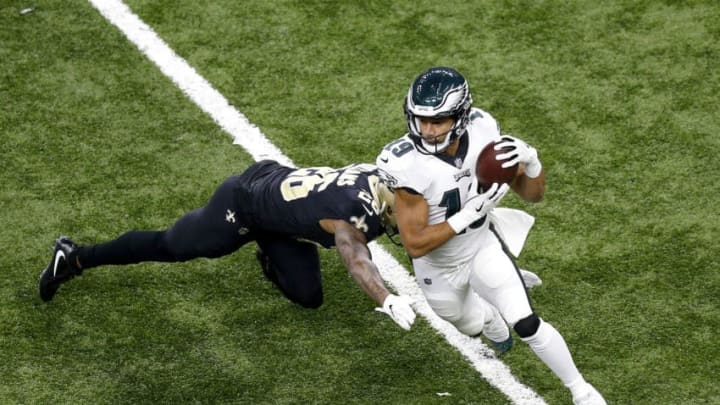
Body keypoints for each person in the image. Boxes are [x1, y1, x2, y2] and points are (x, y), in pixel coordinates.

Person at [376, 66, 606, 405]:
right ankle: (488, 317)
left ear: (461, 115)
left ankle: (582, 391)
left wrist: (533, 162)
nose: (427, 129)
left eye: (437, 120)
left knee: (527, 323)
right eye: (420, 119)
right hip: (438, 268)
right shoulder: (405, 164)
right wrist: (469, 212)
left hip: (481, 245)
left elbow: (533, 194)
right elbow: (415, 243)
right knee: (471, 324)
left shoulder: (483, 130)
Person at [38, 160, 416, 331]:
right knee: (170, 246)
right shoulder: (352, 216)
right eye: (406, 211)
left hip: (280, 212)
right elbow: (355, 259)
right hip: (244, 204)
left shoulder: (379, 178)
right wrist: (387, 298)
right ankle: (75, 257)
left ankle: (270, 252)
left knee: (309, 296)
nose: (413, 218)